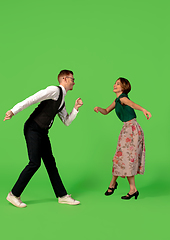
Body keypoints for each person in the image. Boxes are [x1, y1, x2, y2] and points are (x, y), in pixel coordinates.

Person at [4, 70, 83, 207]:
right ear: (64, 78)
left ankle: (62, 196)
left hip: (42, 132)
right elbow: (32, 99)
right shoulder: (54, 90)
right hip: (33, 128)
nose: (74, 81)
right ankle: (14, 194)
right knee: (34, 163)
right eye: (72, 79)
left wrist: (75, 108)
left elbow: (66, 121)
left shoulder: (62, 101)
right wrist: (13, 111)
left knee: (50, 163)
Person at [94, 77, 151, 200]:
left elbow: (132, 104)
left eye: (118, 84)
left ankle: (121, 186)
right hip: (126, 129)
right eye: (115, 83)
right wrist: (99, 109)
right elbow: (106, 111)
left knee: (126, 158)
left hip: (132, 129)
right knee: (120, 158)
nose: (115, 85)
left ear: (124, 87)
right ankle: (128, 188)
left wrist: (143, 110)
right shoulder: (117, 100)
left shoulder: (123, 98)